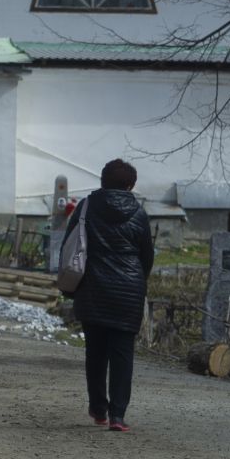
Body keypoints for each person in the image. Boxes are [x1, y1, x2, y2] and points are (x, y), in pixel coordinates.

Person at [74, 158, 154, 432]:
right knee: (122, 354)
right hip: (127, 291)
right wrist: (137, 282)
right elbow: (147, 255)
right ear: (130, 185)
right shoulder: (139, 213)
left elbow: (71, 244)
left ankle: (99, 409)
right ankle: (118, 416)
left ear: (102, 181)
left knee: (95, 353)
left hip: (93, 286)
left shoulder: (87, 207)